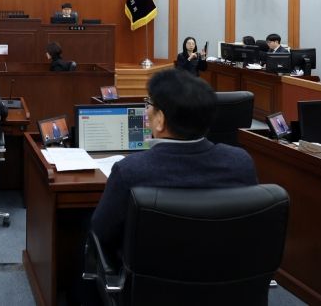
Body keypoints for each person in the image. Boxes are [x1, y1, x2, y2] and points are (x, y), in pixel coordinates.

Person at [90, 69, 257, 261]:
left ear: (160, 120)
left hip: (150, 277)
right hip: (227, 274)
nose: (146, 111)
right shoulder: (240, 163)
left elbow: (101, 233)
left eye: (149, 104)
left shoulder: (129, 170)